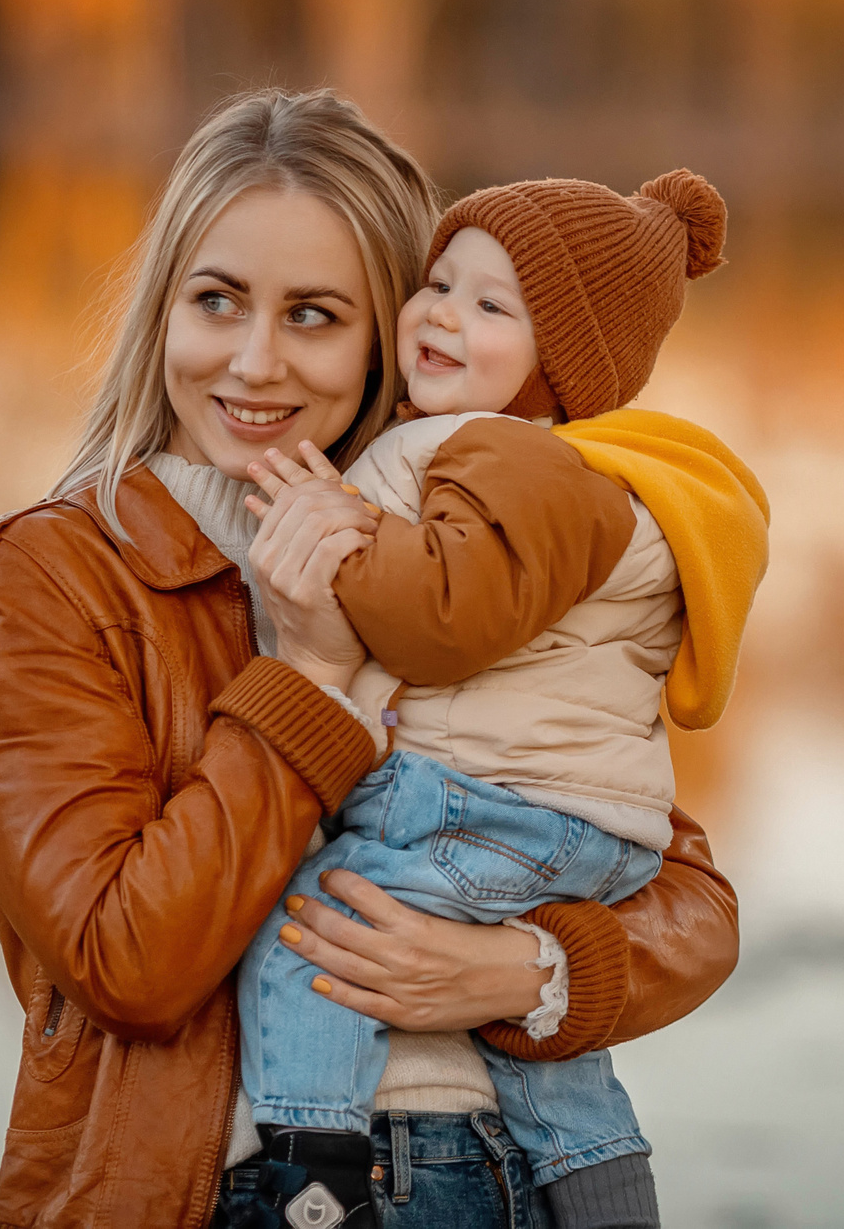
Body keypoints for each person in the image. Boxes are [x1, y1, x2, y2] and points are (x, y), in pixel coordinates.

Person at [0, 90, 740, 1229]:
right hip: (221, 1188)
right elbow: (126, 960)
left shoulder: (450, 556)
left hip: (506, 1179)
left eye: (314, 315)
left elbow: (686, 893)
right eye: (216, 301)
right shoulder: (46, 581)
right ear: (161, 311)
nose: (255, 363)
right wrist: (311, 679)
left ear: (392, 336)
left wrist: (526, 973)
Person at [229, 171, 768, 1228]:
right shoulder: (554, 468)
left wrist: (336, 532)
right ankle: (601, 1186)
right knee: (530, 1041)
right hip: (578, 824)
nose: (439, 314)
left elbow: (443, 620)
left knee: (318, 926)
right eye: (438, 282)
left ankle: (310, 1174)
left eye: (492, 305)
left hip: (489, 808)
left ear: (563, 361)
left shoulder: (507, 460)